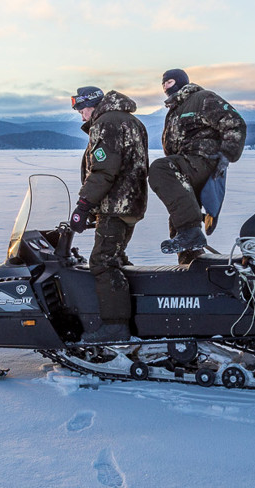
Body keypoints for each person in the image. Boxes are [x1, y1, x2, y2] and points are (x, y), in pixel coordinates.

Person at [69, 86, 149, 342]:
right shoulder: (131, 120)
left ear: (91, 104)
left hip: (115, 206)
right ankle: (141, 316)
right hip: (131, 203)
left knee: (103, 262)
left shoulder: (106, 123)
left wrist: (83, 205)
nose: (82, 116)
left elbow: (104, 171)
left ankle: (115, 328)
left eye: (81, 110)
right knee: (116, 258)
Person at [148, 69, 247, 263]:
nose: (165, 87)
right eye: (163, 84)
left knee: (160, 169)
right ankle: (191, 266)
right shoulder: (174, 110)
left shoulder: (202, 98)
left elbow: (235, 122)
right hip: (185, 164)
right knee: (179, 217)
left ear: (181, 81)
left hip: (202, 160)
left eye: (169, 82)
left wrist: (227, 155)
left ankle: (191, 233)